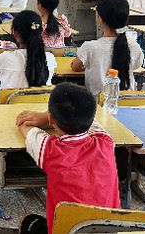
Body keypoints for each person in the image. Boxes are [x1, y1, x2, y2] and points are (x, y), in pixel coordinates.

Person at [16, 82, 120, 234]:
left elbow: (23, 124)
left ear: (51, 119)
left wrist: (45, 117)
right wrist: (49, 117)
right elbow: (91, 121)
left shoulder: (51, 151)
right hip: (110, 229)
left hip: (65, 230)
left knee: (27, 220)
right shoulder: (106, 143)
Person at [71, 0, 143, 97]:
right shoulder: (134, 46)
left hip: (97, 104)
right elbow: (136, 65)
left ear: (99, 19)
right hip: (127, 101)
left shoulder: (89, 47)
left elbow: (75, 67)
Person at [0, 10, 56, 89]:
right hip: (42, 97)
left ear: (14, 33)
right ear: (40, 32)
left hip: (10, 97)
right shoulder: (50, 58)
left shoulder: (6, 58)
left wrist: (0, 70)